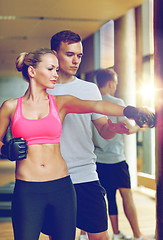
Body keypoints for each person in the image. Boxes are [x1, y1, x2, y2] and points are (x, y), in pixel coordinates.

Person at [0, 48, 148, 240]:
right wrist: (5, 148)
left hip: (61, 187)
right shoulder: (11, 106)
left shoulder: (60, 103)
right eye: (51, 69)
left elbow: (97, 105)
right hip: (27, 189)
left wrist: (131, 111)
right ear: (32, 71)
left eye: (56, 69)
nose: (56, 74)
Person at [43, 30, 156, 240]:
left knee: (101, 236)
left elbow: (103, 129)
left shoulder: (89, 89)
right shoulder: (43, 88)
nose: (76, 60)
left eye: (79, 55)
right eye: (69, 54)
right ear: (53, 54)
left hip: (86, 174)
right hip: (53, 177)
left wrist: (114, 129)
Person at [93, 68, 150, 240]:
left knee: (107, 197)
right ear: (110, 84)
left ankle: (115, 233)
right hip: (116, 160)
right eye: (115, 84)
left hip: (98, 160)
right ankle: (137, 235)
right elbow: (128, 128)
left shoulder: (91, 103)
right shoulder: (116, 102)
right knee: (127, 196)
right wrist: (141, 126)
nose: (115, 87)